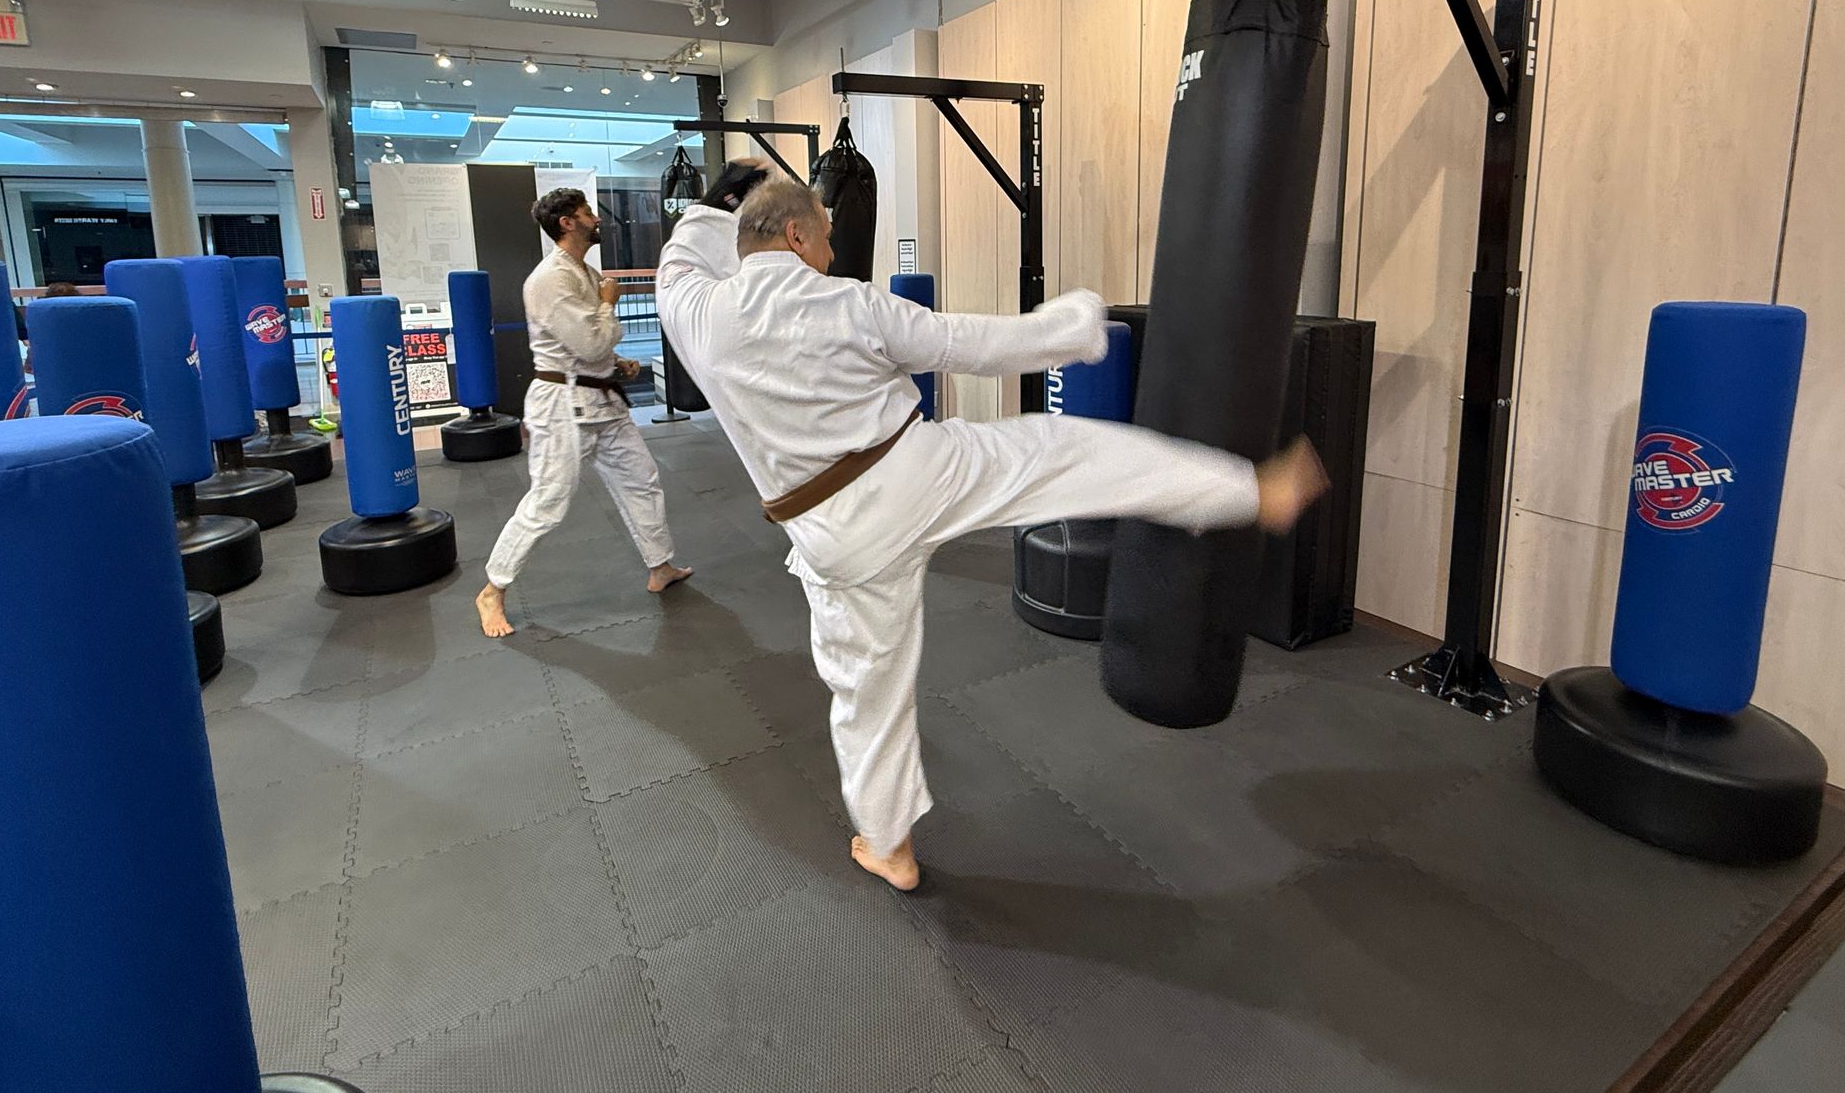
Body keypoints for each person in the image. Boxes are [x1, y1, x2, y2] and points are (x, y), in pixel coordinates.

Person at [657, 178, 1329, 891]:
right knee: (1069, 452)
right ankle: (1252, 491)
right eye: (824, 235)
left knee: (865, 690)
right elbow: (970, 343)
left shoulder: (699, 315)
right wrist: (1076, 323)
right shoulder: (848, 303)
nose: (830, 251)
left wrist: (714, 208)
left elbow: (679, 259)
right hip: (913, 477)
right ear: (795, 235)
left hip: (826, 533)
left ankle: (888, 845)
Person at [475, 187, 691, 638]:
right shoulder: (549, 279)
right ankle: (493, 590)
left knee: (642, 478)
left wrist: (618, 365)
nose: (597, 218)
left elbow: (589, 349)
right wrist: (609, 301)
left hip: (601, 398)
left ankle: (659, 565)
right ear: (567, 223)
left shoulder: (583, 271)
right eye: (587, 212)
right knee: (549, 501)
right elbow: (592, 339)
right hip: (561, 407)